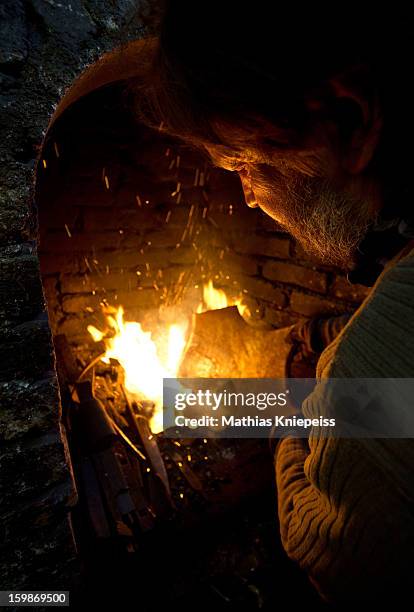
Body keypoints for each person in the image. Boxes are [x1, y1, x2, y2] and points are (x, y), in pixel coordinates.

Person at [138, 1, 414, 602]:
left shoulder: (370, 366)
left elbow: (325, 554)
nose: (250, 199)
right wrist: (316, 341)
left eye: (243, 165)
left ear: (348, 120)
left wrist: (291, 423)